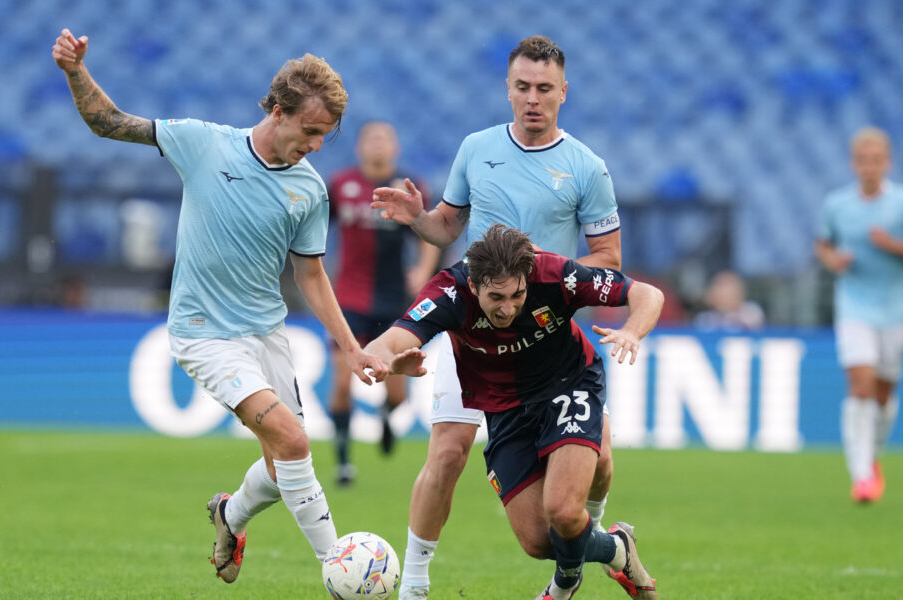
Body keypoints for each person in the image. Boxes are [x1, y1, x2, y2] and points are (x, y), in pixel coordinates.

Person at [52, 29, 388, 586]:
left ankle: (229, 516)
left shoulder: (309, 188)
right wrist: (74, 70)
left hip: (267, 334)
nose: (316, 146)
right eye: (310, 131)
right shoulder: (203, 143)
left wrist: (350, 349)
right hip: (204, 333)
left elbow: (310, 274)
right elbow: (107, 121)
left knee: (286, 470)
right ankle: (340, 572)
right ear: (278, 111)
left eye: (326, 136)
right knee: (295, 441)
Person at [371, 35, 624, 598]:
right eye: (522, 88)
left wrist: (537, 283)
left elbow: (609, 260)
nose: (532, 99)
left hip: (545, 340)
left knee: (600, 458)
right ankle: (413, 584)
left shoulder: (586, 167)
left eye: (544, 89)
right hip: (473, 333)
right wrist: (417, 219)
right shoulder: (476, 148)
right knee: (449, 451)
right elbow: (446, 227)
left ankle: (591, 534)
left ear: (564, 92)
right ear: (507, 90)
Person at [365, 224, 662, 600]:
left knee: (564, 512)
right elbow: (386, 343)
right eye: (496, 298)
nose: (508, 308)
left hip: (568, 385)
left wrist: (632, 331)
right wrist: (388, 363)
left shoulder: (557, 275)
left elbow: (647, 294)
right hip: (504, 409)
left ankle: (565, 583)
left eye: (518, 294)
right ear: (473, 286)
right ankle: (616, 546)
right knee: (539, 541)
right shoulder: (448, 293)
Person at [327, 121, 440, 485]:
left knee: (397, 393)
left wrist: (422, 270)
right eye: (371, 139)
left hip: (394, 301)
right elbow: (312, 228)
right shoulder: (340, 186)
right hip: (347, 298)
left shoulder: (409, 188)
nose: (377, 146)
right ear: (359, 148)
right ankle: (344, 462)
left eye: (384, 140)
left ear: (395, 148)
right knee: (343, 382)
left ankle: (387, 417)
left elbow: (429, 234)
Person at [815, 126, 903, 504]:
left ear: (888, 162)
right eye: (863, 160)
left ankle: (872, 456)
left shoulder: (899, 202)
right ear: (854, 163)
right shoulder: (838, 205)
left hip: (894, 307)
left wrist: (891, 245)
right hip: (854, 305)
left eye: (876, 160)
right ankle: (862, 475)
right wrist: (835, 261)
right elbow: (823, 245)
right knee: (862, 383)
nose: (869, 167)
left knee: (883, 392)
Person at [692, 270, 765, 331]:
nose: (722, 294)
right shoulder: (705, 319)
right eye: (719, 287)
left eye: (727, 287)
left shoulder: (752, 312)